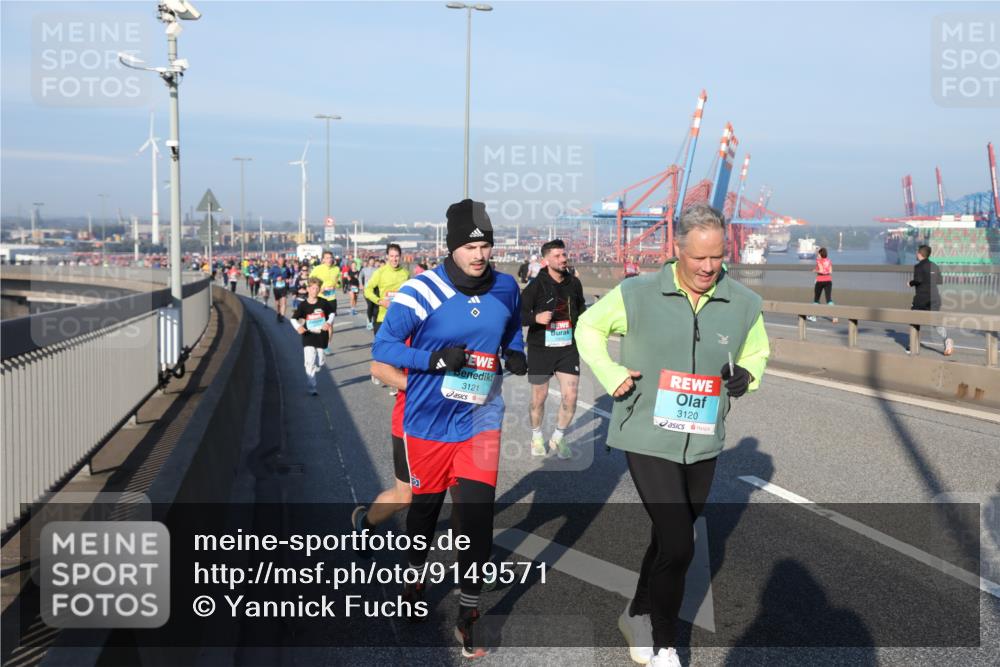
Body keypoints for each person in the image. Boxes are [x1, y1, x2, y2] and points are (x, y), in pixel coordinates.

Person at [577, 204, 770, 667]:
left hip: (703, 437)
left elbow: (757, 350)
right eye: (698, 257)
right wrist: (612, 373)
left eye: (717, 257)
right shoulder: (638, 293)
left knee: (670, 538)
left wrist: (747, 374)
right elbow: (588, 327)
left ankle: (638, 612)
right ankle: (666, 646)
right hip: (646, 432)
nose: (708, 267)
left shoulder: (743, 302)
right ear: (676, 249)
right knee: (681, 543)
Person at [371, 199, 527, 658]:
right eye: (469, 246)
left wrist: (515, 352)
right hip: (428, 423)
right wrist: (433, 360)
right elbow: (384, 348)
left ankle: (468, 616)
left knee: (477, 517)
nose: (479, 254)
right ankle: (414, 579)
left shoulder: (506, 286)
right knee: (424, 514)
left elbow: (511, 331)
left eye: (485, 245)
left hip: (481, 418)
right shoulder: (420, 291)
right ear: (452, 246)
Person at [520, 239, 587, 459]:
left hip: (567, 347)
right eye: (557, 256)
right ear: (546, 260)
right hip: (541, 348)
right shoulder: (535, 286)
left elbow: (581, 310)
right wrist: (536, 318)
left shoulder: (574, 283)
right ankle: (536, 436)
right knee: (539, 397)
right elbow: (518, 315)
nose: (563, 259)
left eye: (564, 254)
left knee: (571, 396)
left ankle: (558, 437)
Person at [364, 244, 410, 390]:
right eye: (391, 256)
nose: (394, 259)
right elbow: (367, 290)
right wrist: (380, 301)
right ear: (387, 257)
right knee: (382, 350)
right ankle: (378, 368)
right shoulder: (380, 272)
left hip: (400, 318)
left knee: (397, 349)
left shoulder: (405, 273)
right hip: (382, 317)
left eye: (397, 256)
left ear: (400, 257)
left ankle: (394, 384)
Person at [290, 277, 337, 395]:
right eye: (312, 288)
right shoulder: (303, 305)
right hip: (308, 335)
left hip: (321, 335)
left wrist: (328, 323)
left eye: (317, 288)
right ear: (308, 289)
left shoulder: (323, 302)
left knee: (320, 362)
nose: (315, 291)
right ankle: (312, 387)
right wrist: (298, 327)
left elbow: (332, 313)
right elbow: (293, 319)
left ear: (319, 290)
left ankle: (319, 363)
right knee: (309, 362)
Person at [908, 244, 953, 356]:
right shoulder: (934, 265)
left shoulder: (918, 266)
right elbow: (939, 281)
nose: (916, 254)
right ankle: (947, 340)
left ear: (920, 254)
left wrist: (910, 283)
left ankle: (912, 345)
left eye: (917, 252)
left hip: (922, 299)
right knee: (936, 322)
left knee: (914, 319)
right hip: (935, 298)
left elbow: (918, 280)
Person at [309, 251, 342, 355]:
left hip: (332, 299)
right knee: (319, 322)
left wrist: (336, 285)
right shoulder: (318, 269)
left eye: (331, 257)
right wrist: (319, 289)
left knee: (330, 323)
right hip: (320, 298)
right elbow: (310, 281)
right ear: (323, 259)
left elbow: (339, 282)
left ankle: (326, 345)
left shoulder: (336, 269)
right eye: (327, 258)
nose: (329, 259)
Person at [807, 247, 836, 323]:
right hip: (828, 281)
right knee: (829, 299)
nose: (817, 255)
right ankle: (835, 316)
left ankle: (813, 317)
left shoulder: (818, 261)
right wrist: (825, 271)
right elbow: (830, 271)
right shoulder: (829, 261)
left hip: (820, 281)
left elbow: (821, 270)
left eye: (818, 254)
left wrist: (815, 270)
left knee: (816, 299)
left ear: (820, 254)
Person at [269, 255, 292, 323]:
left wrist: (288, 279)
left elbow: (289, 275)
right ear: (278, 260)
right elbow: (269, 276)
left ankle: (282, 316)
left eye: (283, 260)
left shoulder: (286, 268)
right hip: (276, 287)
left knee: (284, 302)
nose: (282, 261)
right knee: (278, 303)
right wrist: (276, 279)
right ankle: (278, 313)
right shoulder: (274, 268)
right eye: (280, 260)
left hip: (284, 287)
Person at [360, 257, 378, 331]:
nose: (372, 262)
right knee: (370, 305)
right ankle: (369, 322)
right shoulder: (364, 269)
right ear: (368, 261)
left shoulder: (377, 270)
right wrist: (361, 284)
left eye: (373, 261)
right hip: (367, 290)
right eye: (371, 261)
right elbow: (360, 277)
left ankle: (372, 321)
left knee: (374, 308)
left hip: (374, 291)